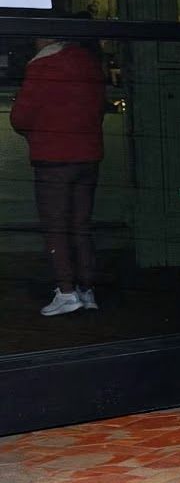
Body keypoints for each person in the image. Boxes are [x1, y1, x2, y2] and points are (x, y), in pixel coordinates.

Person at [9, 38, 105, 316]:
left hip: (53, 158)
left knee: (56, 226)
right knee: (81, 225)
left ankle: (66, 292)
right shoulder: (90, 64)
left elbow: (21, 117)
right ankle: (87, 290)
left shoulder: (42, 66)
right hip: (88, 156)